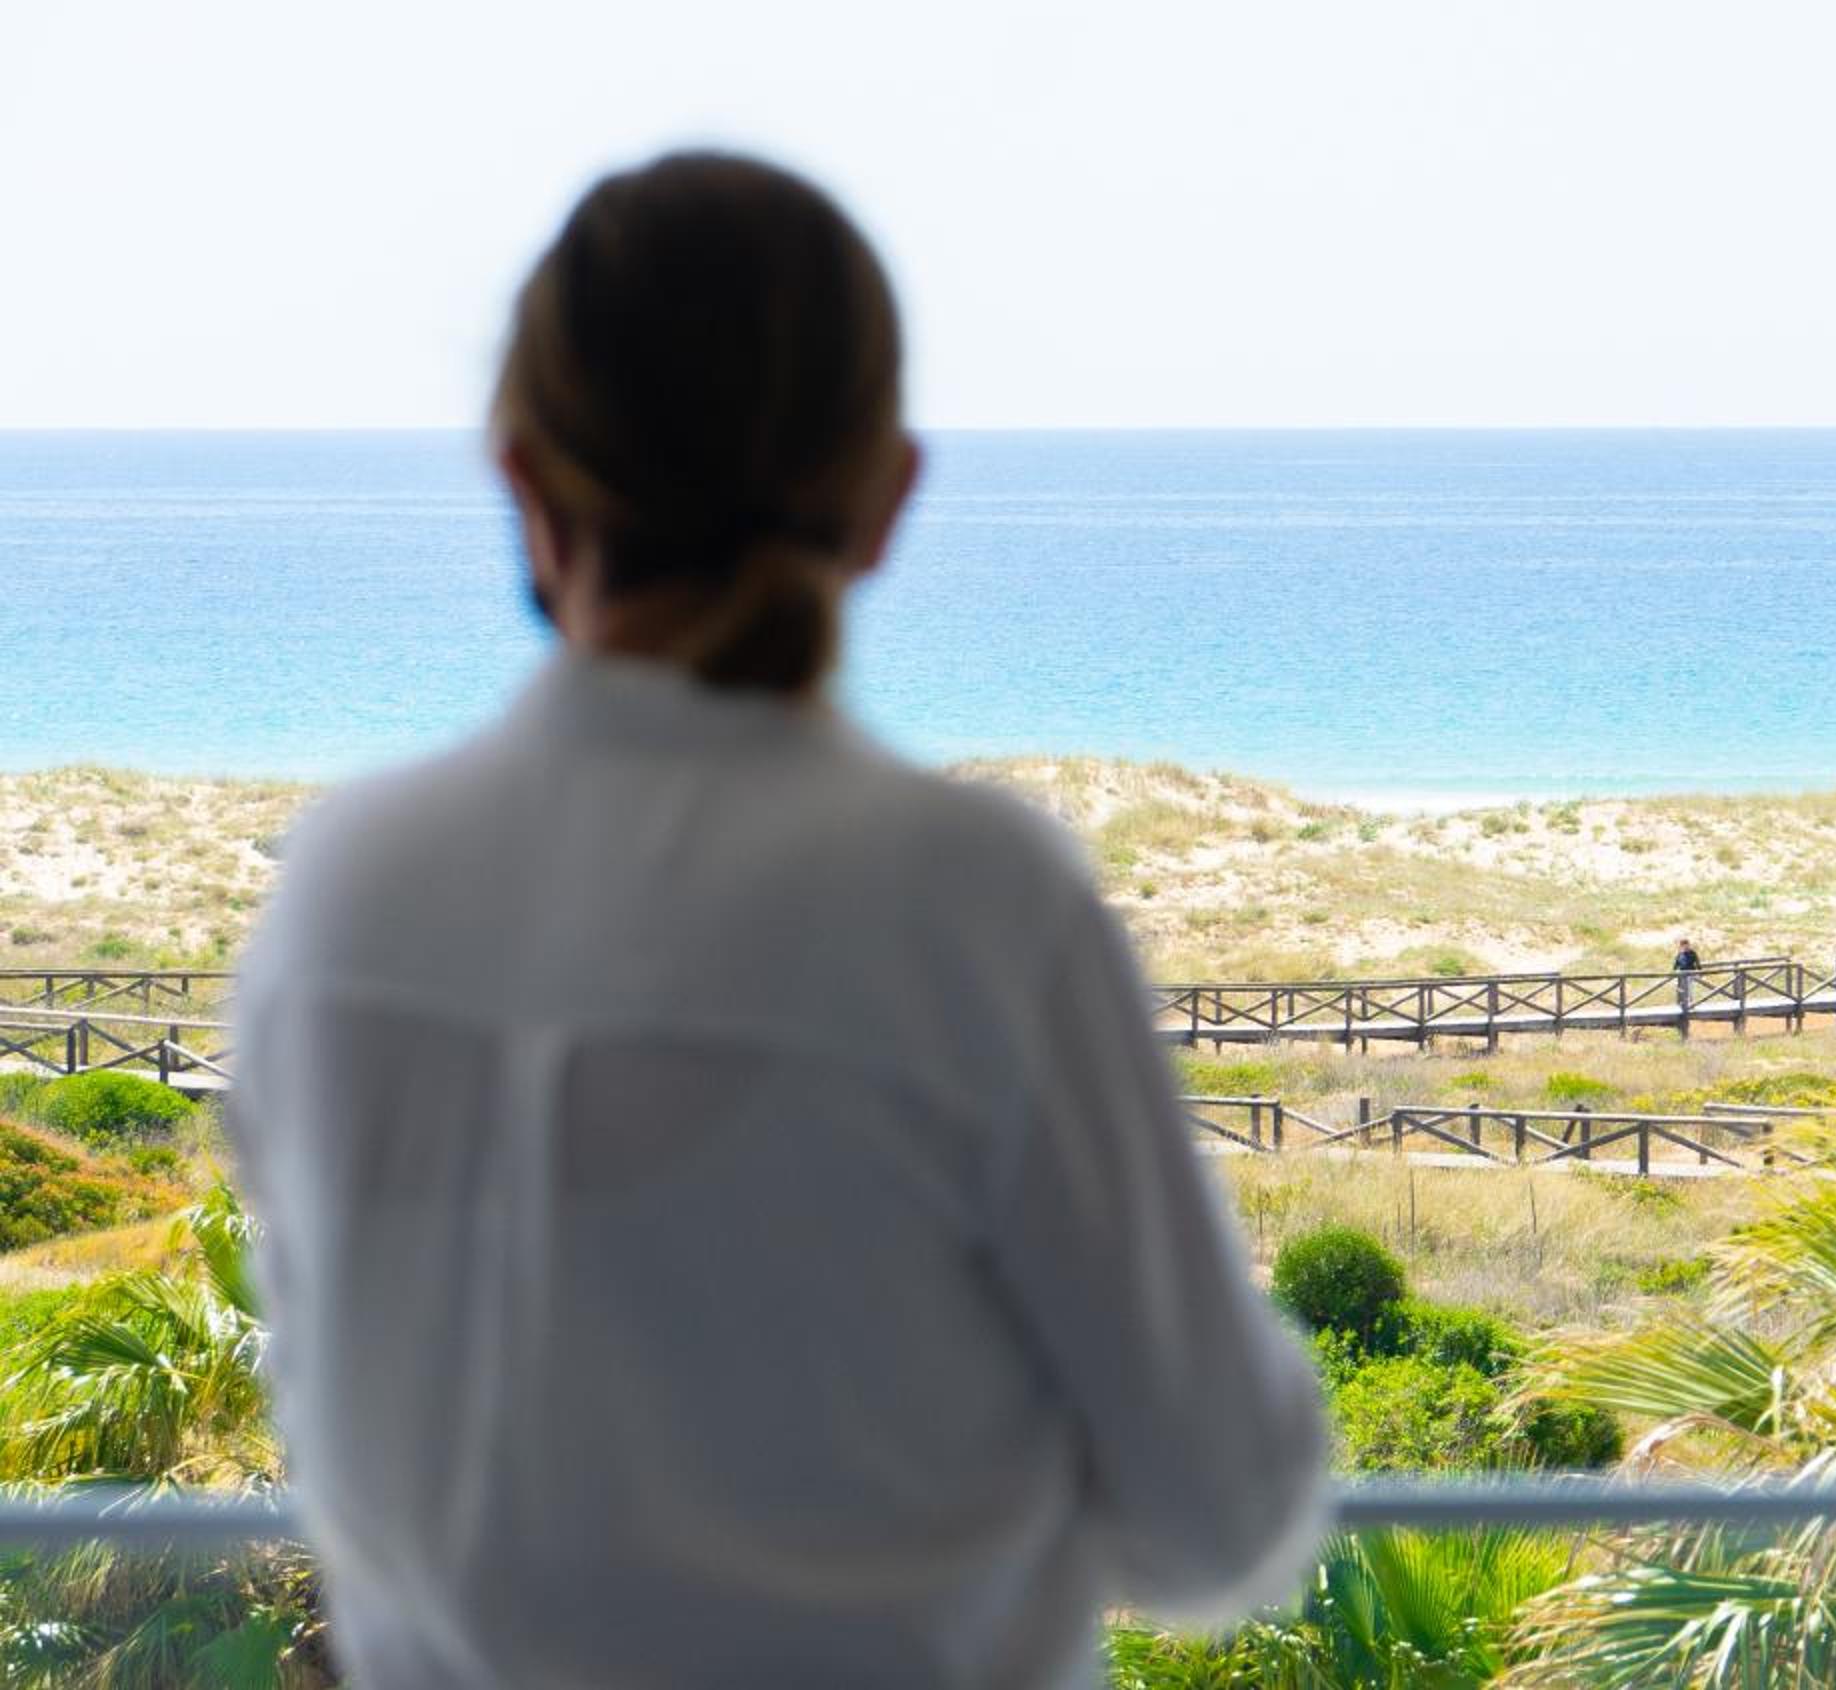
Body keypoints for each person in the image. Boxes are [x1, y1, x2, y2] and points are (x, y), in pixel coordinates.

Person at [227, 152, 1327, 1690]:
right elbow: (1221, 1524)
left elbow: (349, 1435)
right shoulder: (967, 903)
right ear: (886, 500)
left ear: (524, 479)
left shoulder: (348, 891)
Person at [1672, 936, 1703, 1011]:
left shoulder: (1692, 953)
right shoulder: (1680, 954)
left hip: (1690, 974)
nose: (1685, 947)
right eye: (1683, 945)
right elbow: (1675, 965)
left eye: (1687, 945)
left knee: (1689, 990)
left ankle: (1691, 1005)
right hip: (1681, 975)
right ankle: (1681, 1005)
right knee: (1680, 990)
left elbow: (1698, 964)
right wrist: (1674, 972)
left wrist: (1700, 973)